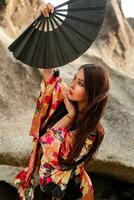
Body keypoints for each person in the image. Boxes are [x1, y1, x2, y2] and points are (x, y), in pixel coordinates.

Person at [13, 3, 110, 200]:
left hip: (68, 190)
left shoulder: (92, 132)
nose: (72, 85)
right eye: (74, 78)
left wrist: (71, 116)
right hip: (44, 180)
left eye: (80, 83)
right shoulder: (67, 96)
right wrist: (46, 24)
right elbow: (49, 73)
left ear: (93, 92)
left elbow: (50, 147)